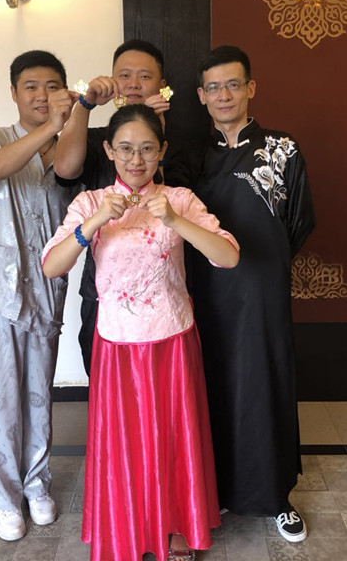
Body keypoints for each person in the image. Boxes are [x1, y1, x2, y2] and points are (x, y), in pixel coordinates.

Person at [42, 105, 239, 561]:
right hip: (116, 344)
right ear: (108, 150)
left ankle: (175, 525)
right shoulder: (90, 203)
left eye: (147, 149)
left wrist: (175, 221)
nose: (136, 159)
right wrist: (94, 223)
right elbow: (52, 265)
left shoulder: (179, 199)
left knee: (173, 439)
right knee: (124, 444)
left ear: (162, 151)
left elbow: (228, 256)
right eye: (126, 148)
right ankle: (127, 525)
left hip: (173, 339)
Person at [164, 45, 316, 542]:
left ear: (250, 87)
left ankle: (276, 497)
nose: (224, 95)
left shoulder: (283, 150)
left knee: (266, 385)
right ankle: (216, 492)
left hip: (263, 290)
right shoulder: (187, 156)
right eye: (214, 87)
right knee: (210, 386)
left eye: (233, 84)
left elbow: (299, 222)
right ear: (200, 96)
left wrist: (265, 267)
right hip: (205, 292)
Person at [0, 50, 80, 542]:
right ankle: (5, 497)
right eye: (31, 86)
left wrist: (69, 125)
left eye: (52, 86)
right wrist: (50, 126)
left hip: (44, 289)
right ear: (14, 92)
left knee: (37, 395)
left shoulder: (68, 150)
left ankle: (36, 484)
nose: (41, 95)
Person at [51, 39, 169, 377]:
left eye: (144, 76)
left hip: (163, 292)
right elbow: (65, 169)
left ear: (162, 85)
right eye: (124, 75)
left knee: (160, 386)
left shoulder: (178, 140)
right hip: (104, 290)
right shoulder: (98, 139)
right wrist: (85, 104)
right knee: (106, 385)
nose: (134, 84)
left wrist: (159, 128)